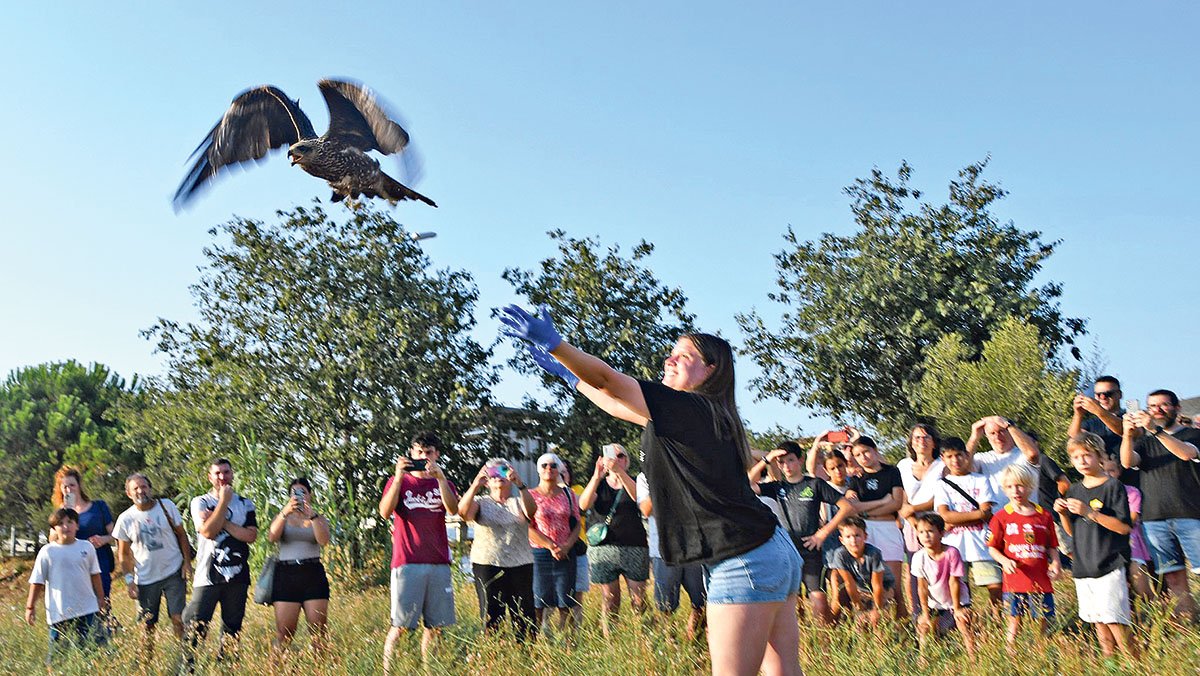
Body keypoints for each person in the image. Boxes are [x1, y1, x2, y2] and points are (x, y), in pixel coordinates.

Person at [506, 306, 801, 676]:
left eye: (684, 356)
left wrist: (556, 345)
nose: (670, 358)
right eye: (672, 352)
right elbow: (614, 403)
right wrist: (570, 377)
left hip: (743, 558)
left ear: (710, 371)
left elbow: (608, 380)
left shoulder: (688, 407)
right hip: (769, 551)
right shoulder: (700, 413)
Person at [747, 440, 854, 625]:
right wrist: (768, 458)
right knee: (794, 605)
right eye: (781, 462)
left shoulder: (815, 484)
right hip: (786, 552)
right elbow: (748, 484)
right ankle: (803, 646)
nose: (786, 466)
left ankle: (824, 647)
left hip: (810, 550)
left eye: (790, 460)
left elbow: (846, 507)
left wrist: (823, 533)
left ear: (800, 460)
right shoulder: (777, 487)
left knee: (819, 602)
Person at [1054, 432, 1140, 661]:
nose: (1082, 461)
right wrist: (1062, 514)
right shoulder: (1073, 490)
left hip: (1110, 563)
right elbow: (1074, 530)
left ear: (1099, 456)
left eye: (1087, 455)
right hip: (1083, 565)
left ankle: (1137, 664)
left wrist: (1089, 512)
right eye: (1076, 457)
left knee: (1115, 619)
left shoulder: (1113, 486)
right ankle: (1109, 663)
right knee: (1098, 620)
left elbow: (1124, 527)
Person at [378, 432, 458, 669]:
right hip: (407, 562)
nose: (425, 457)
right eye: (419, 453)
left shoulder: (444, 482)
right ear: (411, 454)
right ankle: (387, 671)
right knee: (400, 625)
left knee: (436, 626)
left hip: (438, 562)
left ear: (437, 454)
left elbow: (453, 510)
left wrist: (442, 479)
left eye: (429, 453)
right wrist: (399, 476)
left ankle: (430, 669)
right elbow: (384, 512)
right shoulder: (398, 482)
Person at [1119, 389, 1200, 623]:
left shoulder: (1193, 434)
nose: (1157, 410)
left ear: (1177, 408)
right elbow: (1127, 461)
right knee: (1174, 578)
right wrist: (1127, 435)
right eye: (1152, 406)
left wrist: (1155, 430)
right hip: (1155, 520)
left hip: (1191, 514)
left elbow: (1185, 454)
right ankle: (1188, 627)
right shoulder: (1144, 443)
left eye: (1163, 405)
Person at [183, 458, 258, 665]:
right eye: (217, 473)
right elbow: (207, 531)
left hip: (238, 576)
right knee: (196, 627)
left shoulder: (245, 504)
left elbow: (251, 536)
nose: (222, 477)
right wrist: (224, 502)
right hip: (207, 577)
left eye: (226, 472)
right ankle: (188, 668)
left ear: (232, 474)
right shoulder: (200, 502)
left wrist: (222, 521)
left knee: (232, 629)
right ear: (210, 477)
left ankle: (226, 668)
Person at [113, 473, 191, 660]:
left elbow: (182, 535)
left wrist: (187, 562)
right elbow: (123, 554)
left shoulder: (167, 506)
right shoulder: (125, 519)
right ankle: (146, 664)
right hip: (146, 579)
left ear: (150, 488)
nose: (141, 491)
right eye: (136, 488)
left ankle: (187, 661)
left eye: (144, 486)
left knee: (178, 618)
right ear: (128, 493)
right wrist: (129, 580)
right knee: (147, 625)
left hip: (173, 571)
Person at [457, 458, 537, 640]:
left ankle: (527, 656)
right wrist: (475, 485)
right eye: (493, 474)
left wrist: (521, 485)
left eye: (503, 472)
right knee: (492, 614)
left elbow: (532, 511)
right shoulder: (480, 501)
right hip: (488, 565)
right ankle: (494, 654)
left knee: (524, 615)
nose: (498, 477)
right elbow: (462, 513)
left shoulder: (518, 501)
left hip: (520, 564)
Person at [986, 464, 1061, 649]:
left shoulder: (1044, 515)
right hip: (1014, 581)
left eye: (1020, 485)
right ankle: (1011, 656)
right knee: (1014, 621)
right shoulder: (1001, 517)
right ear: (1004, 489)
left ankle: (1041, 653)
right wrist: (1004, 560)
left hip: (1041, 581)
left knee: (1043, 621)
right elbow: (992, 548)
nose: (1016, 491)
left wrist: (1056, 563)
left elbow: (1052, 546)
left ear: (1030, 486)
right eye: (1010, 487)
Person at [579, 443, 648, 637]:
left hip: (634, 547)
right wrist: (596, 476)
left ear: (627, 461)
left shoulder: (635, 481)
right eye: (611, 455)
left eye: (620, 456)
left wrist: (620, 474)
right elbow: (583, 504)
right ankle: (611, 642)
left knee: (639, 599)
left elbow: (639, 499)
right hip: (603, 549)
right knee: (610, 599)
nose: (616, 459)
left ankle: (642, 641)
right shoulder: (599, 484)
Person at [26, 508, 107, 666]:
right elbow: (37, 581)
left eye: (70, 522)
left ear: (77, 525)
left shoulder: (87, 548)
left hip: (87, 609)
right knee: (57, 656)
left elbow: (95, 575)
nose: (66, 526)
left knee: (94, 650)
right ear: (54, 528)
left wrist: (101, 598)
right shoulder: (47, 552)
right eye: (60, 523)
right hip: (60, 613)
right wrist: (30, 606)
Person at [637, 470, 706, 640]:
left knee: (702, 602)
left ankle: (691, 642)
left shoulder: (685, 466)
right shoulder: (645, 476)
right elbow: (646, 509)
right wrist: (663, 480)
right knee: (665, 607)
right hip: (664, 550)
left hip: (695, 547)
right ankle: (670, 648)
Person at [933, 437, 1003, 605]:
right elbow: (944, 516)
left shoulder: (980, 479)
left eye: (958, 455)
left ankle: (997, 621)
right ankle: (965, 622)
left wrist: (955, 519)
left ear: (966, 455)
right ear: (943, 459)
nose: (955, 460)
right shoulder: (942, 485)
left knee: (994, 584)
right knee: (959, 586)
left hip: (981, 542)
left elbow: (986, 512)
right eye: (949, 456)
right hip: (954, 544)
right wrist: (977, 514)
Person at [267, 477, 331, 654]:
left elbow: (323, 540)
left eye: (302, 492)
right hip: (286, 574)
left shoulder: (318, 517)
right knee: (284, 633)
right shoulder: (282, 516)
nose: (299, 496)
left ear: (310, 495)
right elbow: (272, 537)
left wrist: (313, 516)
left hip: (312, 573)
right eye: (294, 493)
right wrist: (284, 513)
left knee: (318, 632)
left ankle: (320, 669)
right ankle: (275, 670)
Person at [845, 436, 907, 619]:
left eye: (866, 452)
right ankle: (874, 626)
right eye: (857, 454)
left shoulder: (892, 472)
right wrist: (881, 501)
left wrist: (865, 507)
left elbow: (896, 503)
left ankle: (903, 628)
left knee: (894, 584)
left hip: (888, 528)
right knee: (868, 582)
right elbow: (852, 507)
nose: (863, 457)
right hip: (865, 530)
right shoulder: (856, 478)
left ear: (875, 451)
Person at [527, 451, 581, 635]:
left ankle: (564, 638)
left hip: (566, 552)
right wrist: (550, 545)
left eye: (553, 465)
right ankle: (538, 637)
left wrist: (566, 546)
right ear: (538, 470)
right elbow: (528, 527)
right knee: (539, 599)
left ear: (559, 470)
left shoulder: (569, 494)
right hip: (540, 553)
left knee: (565, 599)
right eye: (544, 465)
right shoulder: (530, 495)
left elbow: (577, 523)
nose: (549, 468)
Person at [911, 512, 975, 659]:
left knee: (963, 623)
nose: (925, 536)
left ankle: (973, 657)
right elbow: (921, 587)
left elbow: (954, 581)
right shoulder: (918, 557)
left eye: (930, 531)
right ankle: (923, 659)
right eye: (921, 532)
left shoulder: (952, 553)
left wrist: (958, 608)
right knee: (923, 627)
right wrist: (925, 613)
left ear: (941, 533)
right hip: (934, 603)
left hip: (956, 601)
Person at [896, 424, 944, 614]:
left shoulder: (942, 465)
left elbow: (942, 495)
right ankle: (918, 613)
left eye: (925, 437)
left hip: (936, 521)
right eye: (916, 438)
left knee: (939, 566)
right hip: (910, 524)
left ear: (934, 442)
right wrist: (913, 521)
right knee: (914, 570)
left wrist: (913, 508)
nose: (921, 441)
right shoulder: (903, 465)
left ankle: (943, 612)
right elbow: (900, 494)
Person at [52, 467, 116, 607]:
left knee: (102, 603)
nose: (69, 490)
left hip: (99, 561)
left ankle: (107, 627)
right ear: (60, 489)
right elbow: (52, 540)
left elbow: (114, 533)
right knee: (80, 607)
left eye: (72, 485)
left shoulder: (98, 506)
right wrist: (65, 513)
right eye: (65, 487)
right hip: (74, 566)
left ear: (79, 485)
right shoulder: (60, 513)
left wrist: (103, 539)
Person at [827, 516, 896, 627]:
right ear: (842, 540)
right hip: (860, 588)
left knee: (878, 621)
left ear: (865, 536)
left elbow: (877, 585)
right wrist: (859, 607)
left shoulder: (873, 553)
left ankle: (881, 638)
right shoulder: (840, 555)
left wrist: (877, 609)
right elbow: (849, 583)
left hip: (883, 587)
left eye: (857, 536)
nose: (853, 541)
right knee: (861, 621)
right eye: (848, 537)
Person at [1100, 456, 1152, 599]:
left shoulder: (1132, 492)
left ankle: (1157, 612)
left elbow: (1132, 520)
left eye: (1111, 470)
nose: (1107, 474)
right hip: (1108, 547)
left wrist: (1107, 522)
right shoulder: (1097, 496)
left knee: (1141, 586)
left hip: (1132, 544)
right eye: (1103, 471)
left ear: (1119, 471)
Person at [966, 416, 1042, 505]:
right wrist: (974, 436)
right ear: (987, 436)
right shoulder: (982, 459)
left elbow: (1033, 454)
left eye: (1001, 431)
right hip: (997, 517)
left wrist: (1009, 426)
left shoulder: (1022, 454)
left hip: (1027, 515)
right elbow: (963, 467)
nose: (997, 437)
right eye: (992, 433)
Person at [559, 459, 590, 626]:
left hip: (578, 550)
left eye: (565, 472)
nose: (562, 475)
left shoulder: (577, 490)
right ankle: (562, 632)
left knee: (577, 595)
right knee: (559, 597)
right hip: (555, 551)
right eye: (559, 471)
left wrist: (561, 487)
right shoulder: (543, 495)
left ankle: (577, 632)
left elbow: (580, 504)